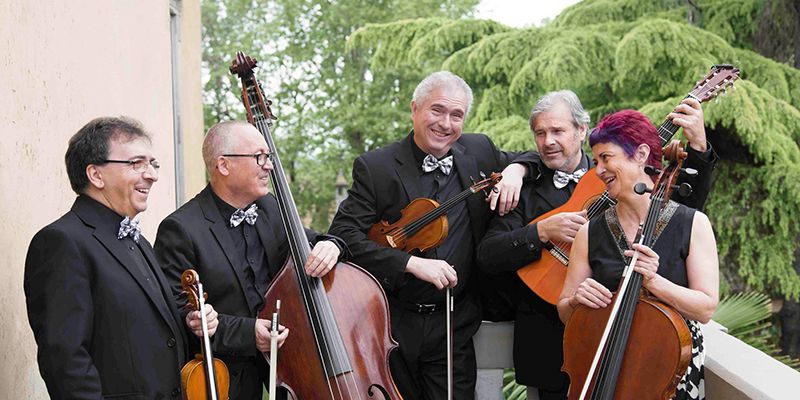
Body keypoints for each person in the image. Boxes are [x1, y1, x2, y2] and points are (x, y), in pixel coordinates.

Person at [476, 90, 717, 399]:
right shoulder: (523, 186)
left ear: (581, 130)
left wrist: (698, 147)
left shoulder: (616, 180)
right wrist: (540, 231)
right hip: (553, 351)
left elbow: (684, 211)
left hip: (651, 354)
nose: (548, 140)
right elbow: (487, 255)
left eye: (558, 131)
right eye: (540, 133)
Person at [328, 71, 536, 400]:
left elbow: (535, 156)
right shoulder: (377, 167)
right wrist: (408, 262)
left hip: (454, 322)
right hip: (394, 322)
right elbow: (343, 234)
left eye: (457, 115)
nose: (446, 123)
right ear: (414, 109)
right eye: (437, 110)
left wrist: (515, 171)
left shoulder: (479, 150)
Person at [25, 116, 218, 399]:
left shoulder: (138, 240)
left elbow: (143, 328)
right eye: (136, 163)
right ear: (96, 175)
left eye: (153, 164)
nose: (151, 174)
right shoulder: (61, 242)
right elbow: (65, 362)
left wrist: (189, 321)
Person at [154, 120, 347, 400]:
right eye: (259, 157)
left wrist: (331, 245)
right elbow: (180, 316)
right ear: (223, 165)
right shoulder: (180, 229)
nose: (268, 165)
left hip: (292, 366)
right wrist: (248, 334)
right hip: (227, 377)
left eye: (268, 157)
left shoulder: (269, 208)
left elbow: (313, 241)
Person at [556, 109, 719, 399]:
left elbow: (705, 308)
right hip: (603, 371)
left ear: (641, 154)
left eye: (606, 158)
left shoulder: (693, 224)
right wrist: (576, 301)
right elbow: (565, 312)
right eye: (596, 161)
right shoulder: (589, 232)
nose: (599, 170)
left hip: (669, 376)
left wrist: (655, 282)